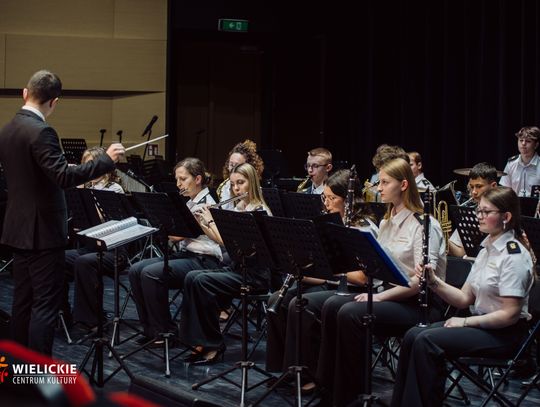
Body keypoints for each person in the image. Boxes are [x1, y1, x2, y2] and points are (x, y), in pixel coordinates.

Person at [0, 70, 124, 355]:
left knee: (22, 302)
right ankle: (38, 373)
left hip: (18, 229)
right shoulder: (42, 131)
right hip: (43, 232)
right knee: (45, 305)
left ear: (24, 93)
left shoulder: (7, 129)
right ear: (54, 102)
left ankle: (19, 368)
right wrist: (105, 160)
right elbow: (63, 178)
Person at [316, 157, 447, 407]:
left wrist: (377, 296)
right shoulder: (387, 221)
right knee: (332, 305)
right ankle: (328, 390)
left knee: (351, 313)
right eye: (380, 182)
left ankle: (350, 396)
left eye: (385, 182)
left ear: (404, 185)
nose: (379, 188)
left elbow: (420, 282)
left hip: (419, 304)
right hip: (390, 297)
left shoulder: (424, 224)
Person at [391, 186, 535, 407]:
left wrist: (465, 321)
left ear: (506, 217)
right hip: (483, 327)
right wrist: (433, 281)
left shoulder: (513, 255)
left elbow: (509, 315)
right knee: (413, 334)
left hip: (505, 335)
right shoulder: (486, 250)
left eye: (486, 211)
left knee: (427, 341)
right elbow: (464, 298)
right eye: (479, 210)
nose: (479, 216)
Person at [265, 169, 378, 383]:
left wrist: (328, 269)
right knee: (276, 300)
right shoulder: (330, 222)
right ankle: (286, 369)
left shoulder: (363, 228)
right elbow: (324, 272)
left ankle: (310, 373)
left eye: (332, 198)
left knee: (301, 305)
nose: (326, 203)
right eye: (324, 198)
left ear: (349, 199)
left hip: (355, 290)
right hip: (332, 284)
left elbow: (362, 278)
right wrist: (302, 270)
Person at [178, 163, 272, 364]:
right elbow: (222, 241)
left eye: (241, 183)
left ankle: (212, 344)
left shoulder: (259, 211)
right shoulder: (239, 207)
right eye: (233, 184)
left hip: (255, 276)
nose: (236, 188)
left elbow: (231, 244)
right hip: (238, 269)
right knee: (192, 277)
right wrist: (203, 221)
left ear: (252, 182)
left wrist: (211, 220)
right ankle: (197, 341)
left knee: (202, 281)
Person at [128, 157, 222, 346]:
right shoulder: (190, 202)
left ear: (197, 179)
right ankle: (150, 330)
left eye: (183, 179)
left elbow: (176, 236)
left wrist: (160, 221)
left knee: (151, 273)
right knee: (135, 270)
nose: (178, 184)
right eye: (177, 179)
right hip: (187, 256)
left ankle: (166, 332)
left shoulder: (206, 204)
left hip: (204, 260)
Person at [61, 147, 127, 328]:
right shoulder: (85, 187)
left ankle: (90, 318)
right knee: (58, 258)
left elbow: (108, 219)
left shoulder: (114, 188)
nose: (87, 168)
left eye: (91, 164)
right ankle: (62, 312)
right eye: (85, 164)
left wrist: (84, 195)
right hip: (89, 247)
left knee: (85, 262)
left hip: (113, 250)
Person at [448, 162, 498, 257]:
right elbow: (460, 252)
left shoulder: (502, 214)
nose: (474, 192)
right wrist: (442, 236)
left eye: (479, 186)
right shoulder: (470, 214)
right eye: (471, 187)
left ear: (493, 186)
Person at [216, 139, 264, 209]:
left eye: (237, 165)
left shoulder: (256, 190)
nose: (233, 169)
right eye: (231, 165)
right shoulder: (225, 187)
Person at [500, 126, 540, 197]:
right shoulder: (511, 163)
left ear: (536, 145)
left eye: (528, 141)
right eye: (521, 140)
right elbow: (505, 189)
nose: (523, 143)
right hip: (514, 203)